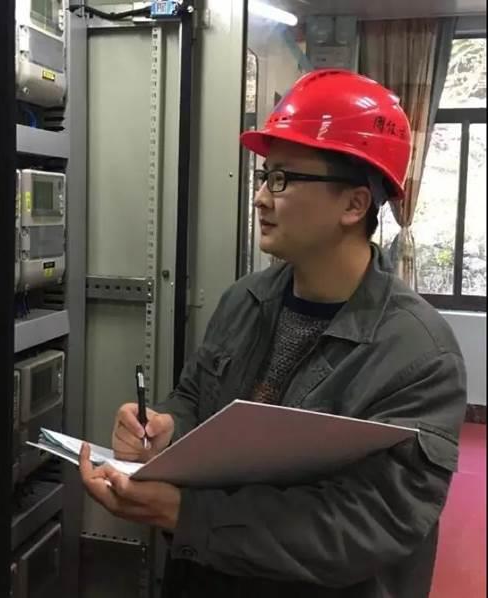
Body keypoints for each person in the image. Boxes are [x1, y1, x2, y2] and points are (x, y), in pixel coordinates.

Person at [80, 69, 467, 598]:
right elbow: (196, 398)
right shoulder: (247, 299)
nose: (261, 197)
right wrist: (167, 428)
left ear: (354, 205)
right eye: (264, 176)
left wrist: (189, 514)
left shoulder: (419, 354)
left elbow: (368, 522)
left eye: (283, 179)